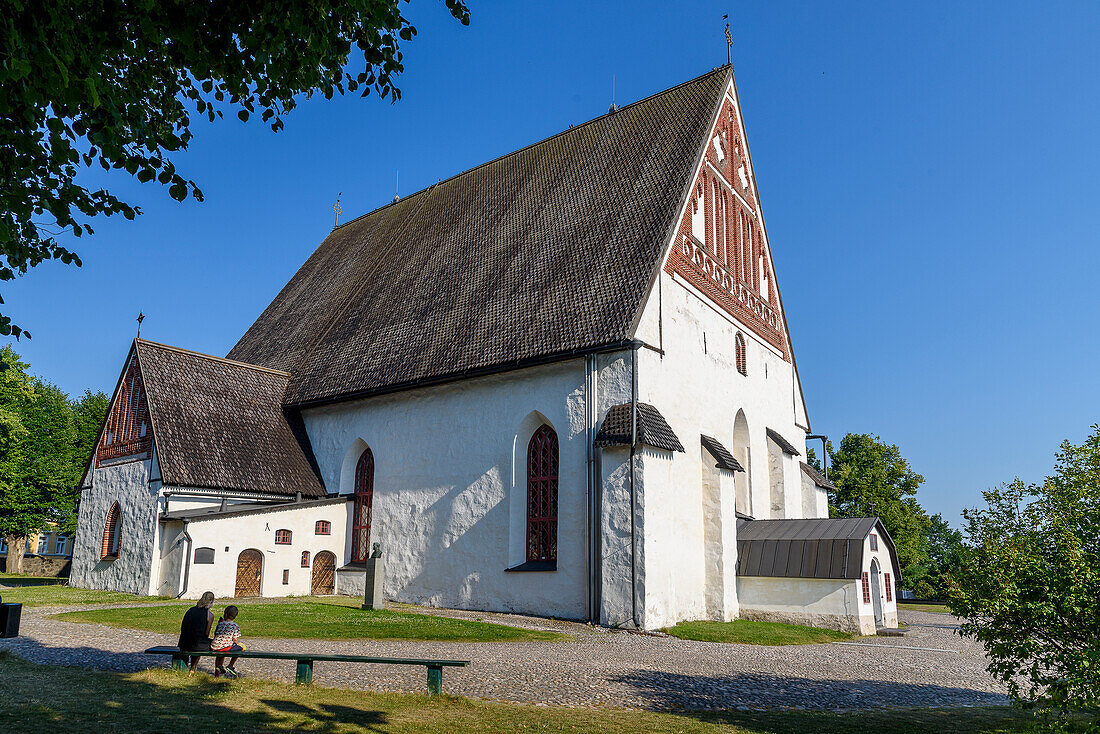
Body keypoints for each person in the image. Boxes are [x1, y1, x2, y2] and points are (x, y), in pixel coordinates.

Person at [178, 591, 215, 673]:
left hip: (184, 642)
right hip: (197, 644)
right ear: (211, 601)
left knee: (193, 641)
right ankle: (193, 668)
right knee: (204, 643)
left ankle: (185, 667)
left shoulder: (190, 610)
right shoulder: (209, 615)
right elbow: (206, 633)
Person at [211, 605, 246, 679]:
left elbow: (215, 634)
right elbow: (235, 639)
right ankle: (230, 665)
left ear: (225, 614)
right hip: (225, 647)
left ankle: (217, 674)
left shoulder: (220, 624)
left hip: (215, 646)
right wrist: (236, 644)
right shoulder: (235, 625)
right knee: (240, 648)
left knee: (220, 654)